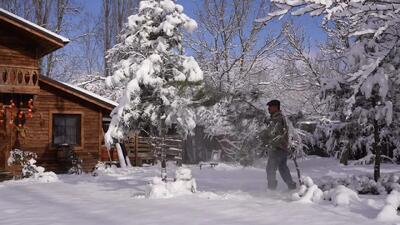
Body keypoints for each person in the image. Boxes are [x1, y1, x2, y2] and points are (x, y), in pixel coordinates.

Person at [263, 100, 296, 190]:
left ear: (276, 107)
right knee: (282, 168)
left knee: (270, 169)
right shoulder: (277, 118)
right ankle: (291, 185)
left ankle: (271, 188)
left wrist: (267, 125)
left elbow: (272, 132)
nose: (268, 109)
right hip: (281, 148)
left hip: (277, 148)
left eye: (270, 107)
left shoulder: (277, 119)